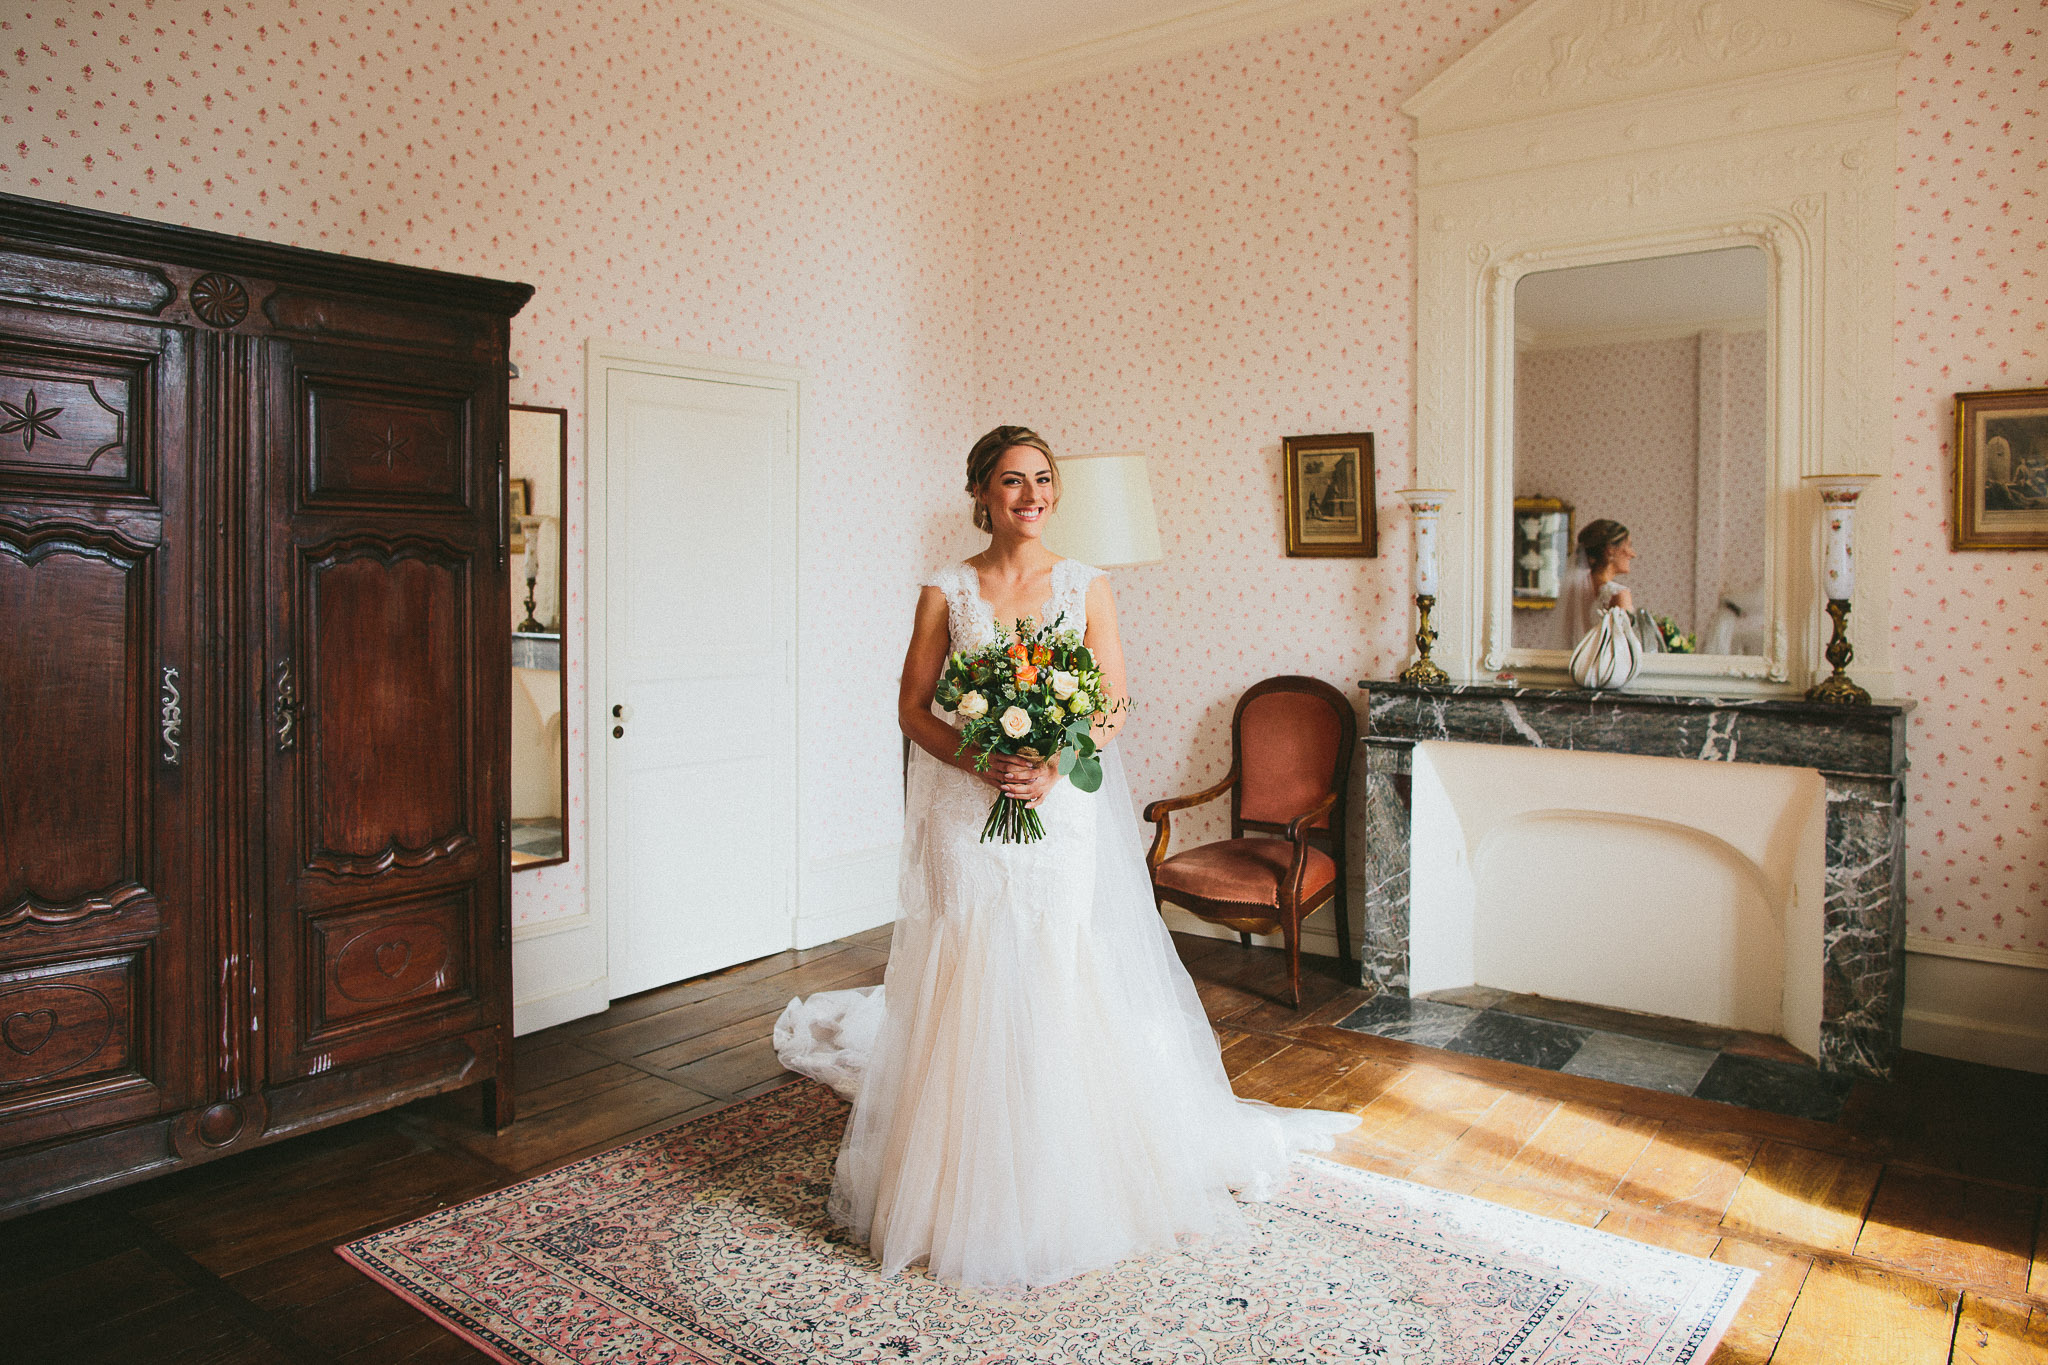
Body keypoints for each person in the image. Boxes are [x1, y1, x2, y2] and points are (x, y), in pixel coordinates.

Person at [774, 425, 1358, 1289]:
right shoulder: (947, 589)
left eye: (1042, 480)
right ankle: (952, 1180)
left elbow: (1113, 704)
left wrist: (1052, 759)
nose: (1031, 495)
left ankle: (1058, 1167)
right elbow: (911, 705)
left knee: (1052, 960)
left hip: (1060, 809)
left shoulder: (1087, 585)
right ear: (981, 492)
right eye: (1012, 481)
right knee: (969, 959)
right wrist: (980, 758)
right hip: (967, 815)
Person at [1560, 518, 1661, 652]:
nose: (1633, 554)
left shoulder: (1573, 591)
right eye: (1629, 546)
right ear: (1610, 550)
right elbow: (1622, 649)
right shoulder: (1619, 594)